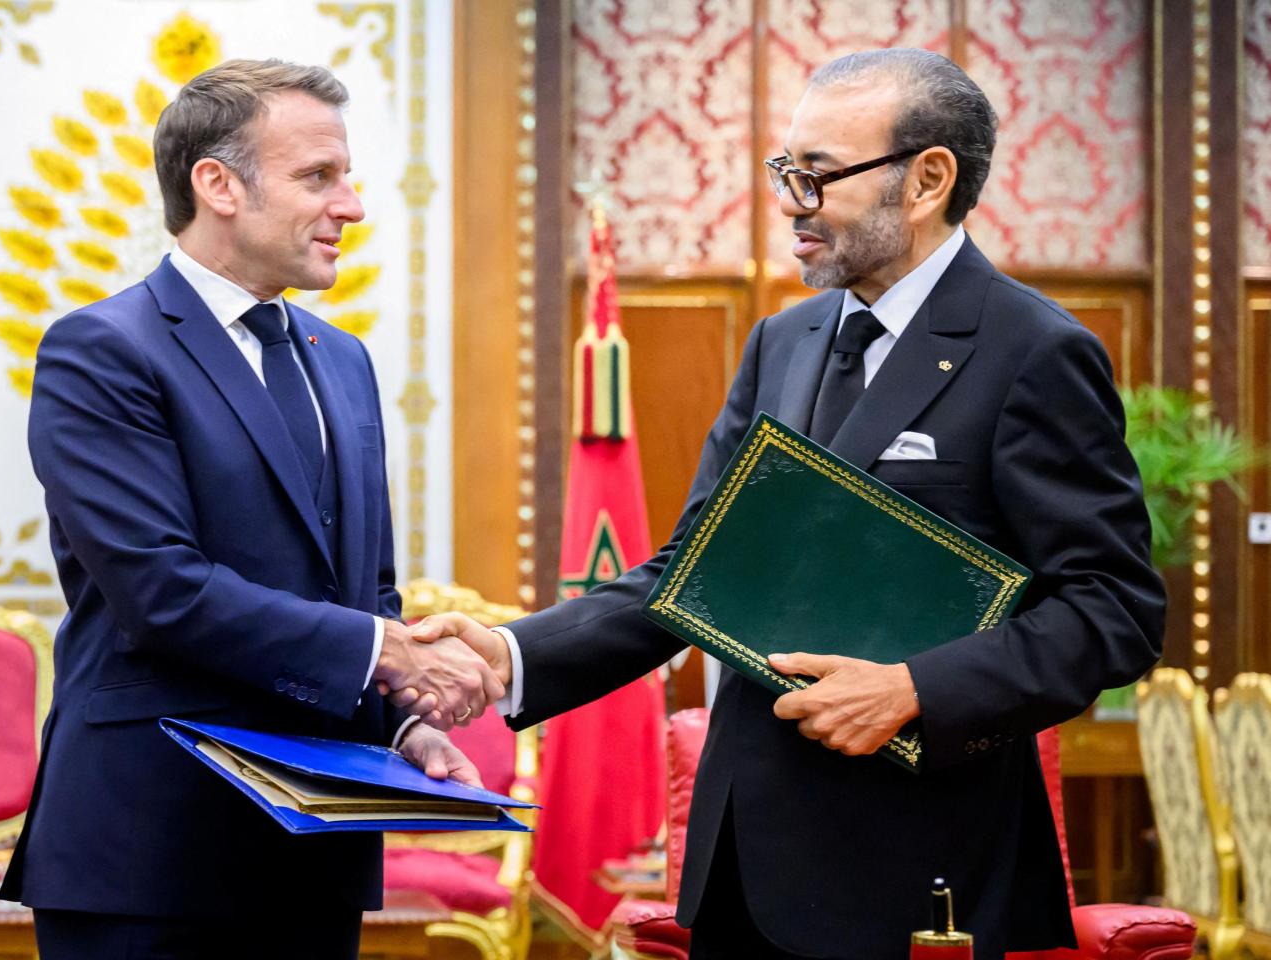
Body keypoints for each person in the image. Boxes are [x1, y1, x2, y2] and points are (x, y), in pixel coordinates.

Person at [410, 49, 1164, 960]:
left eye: (818, 175)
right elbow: (696, 574)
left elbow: (1114, 610)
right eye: (785, 172)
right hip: (743, 867)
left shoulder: (1033, 351)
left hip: (919, 868)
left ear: (927, 180)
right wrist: (508, 651)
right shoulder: (785, 339)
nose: (789, 200)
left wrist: (914, 689)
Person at [0, 59, 496, 959]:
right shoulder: (101, 352)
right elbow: (163, 592)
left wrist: (406, 720)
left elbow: (362, 594)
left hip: (314, 852)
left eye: (346, 177)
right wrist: (390, 652)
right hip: (150, 856)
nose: (350, 204)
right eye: (319, 177)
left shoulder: (340, 358)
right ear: (217, 184)